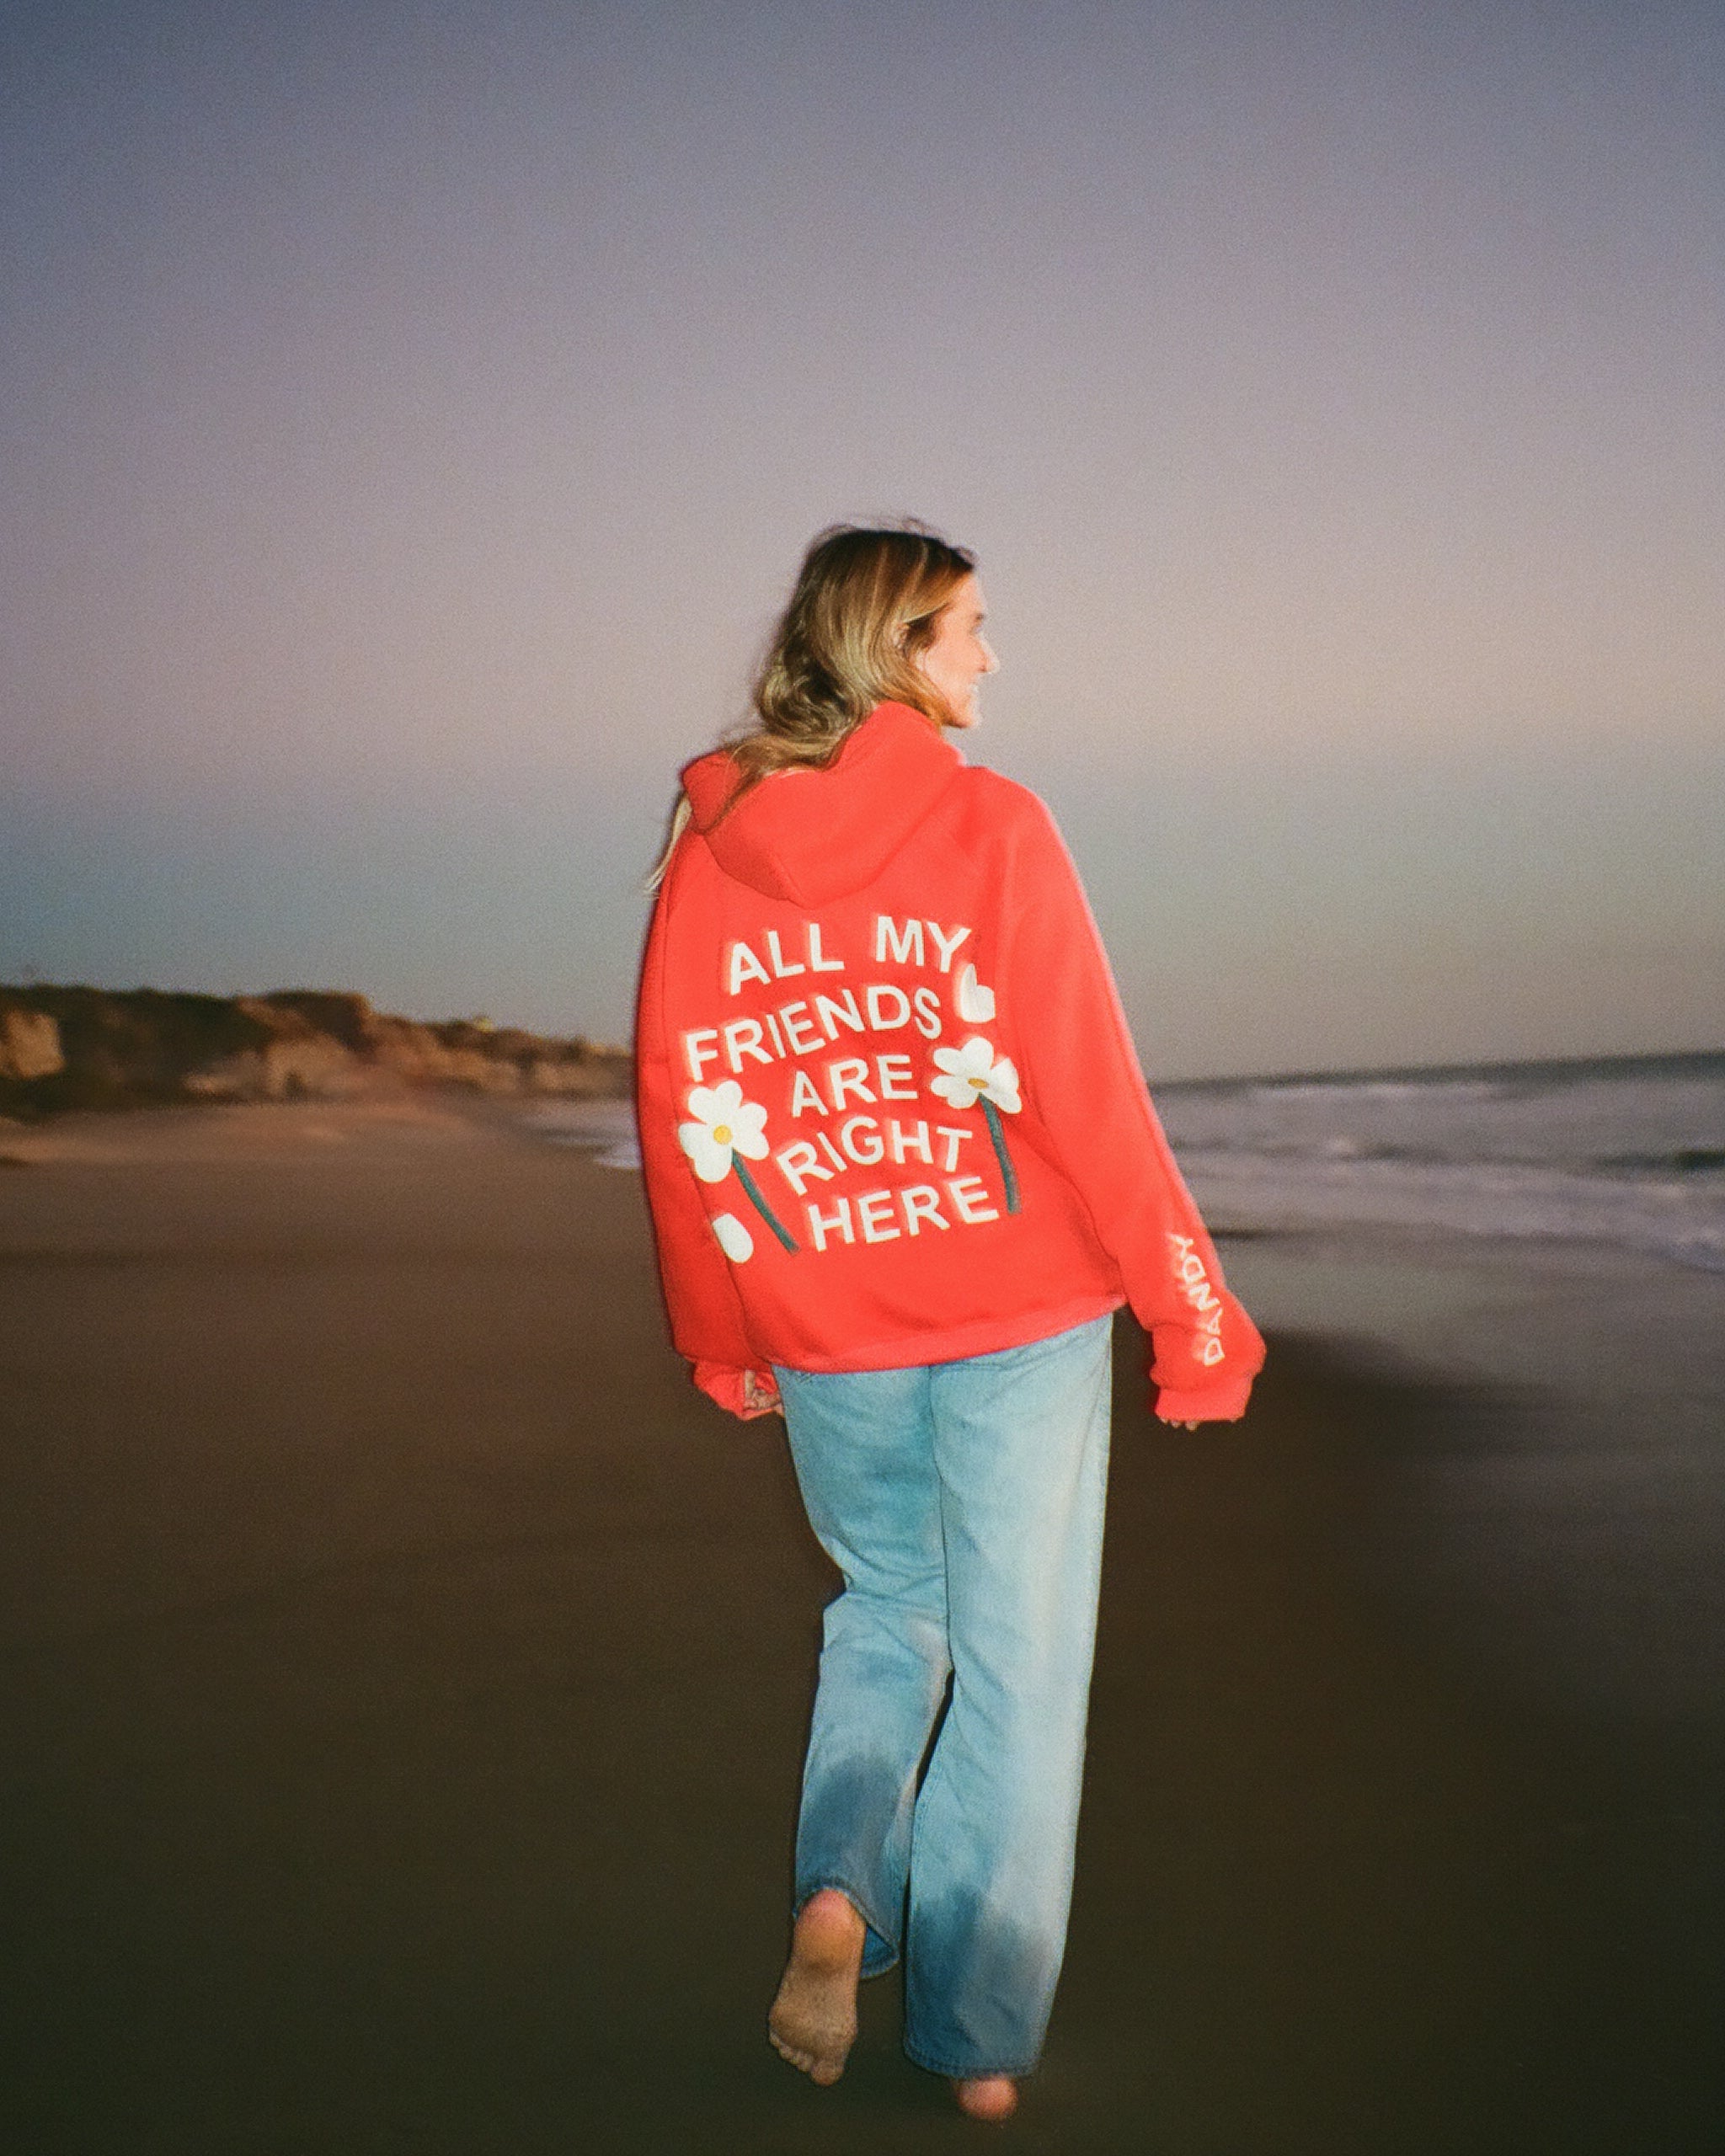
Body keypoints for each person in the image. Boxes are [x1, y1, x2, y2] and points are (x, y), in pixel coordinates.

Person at [635, 524, 1263, 2122]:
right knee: (1017, 1663)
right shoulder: (993, 825)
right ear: (897, 646)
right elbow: (1089, 1092)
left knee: (887, 1606)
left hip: (825, 1313)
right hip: (1015, 1307)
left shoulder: (711, 852)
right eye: (969, 626)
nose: (991, 656)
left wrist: (721, 1329)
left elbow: (682, 1105)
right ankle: (976, 2043)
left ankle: (839, 1892)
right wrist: (1195, 1316)